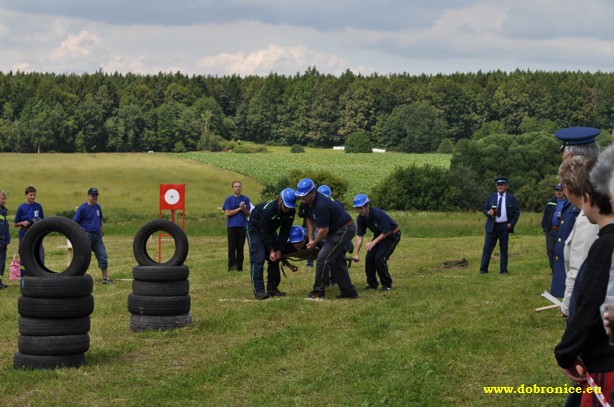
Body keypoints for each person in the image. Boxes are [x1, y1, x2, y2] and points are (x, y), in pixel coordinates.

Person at [554, 151, 614, 406]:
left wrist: (566, 351)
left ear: (588, 198)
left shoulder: (605, 246)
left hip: (605, 362)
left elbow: (591, 303)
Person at [295, 178, 358, 299]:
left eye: (304, 196)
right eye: (300, 196)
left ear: (312, 193)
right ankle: (349, 292)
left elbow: (323, 231)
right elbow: (309, 219)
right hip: (334, 231)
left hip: (344, 230)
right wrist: (310, 239)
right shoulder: (307, 203)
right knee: (336, 261)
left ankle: (318, 291)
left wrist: (314, 242)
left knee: (322, 258)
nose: (301, 199)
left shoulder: (321, 205)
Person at [558, 157, 599, 318]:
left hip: (587, 304)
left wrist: (567, 306)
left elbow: (578, 269)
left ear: (567, 187)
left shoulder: (587, 219)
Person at [246, 188, 296, 300]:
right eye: (286, 207)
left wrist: (278, 250)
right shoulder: (269, 210)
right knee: (258, 258)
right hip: (256, 228)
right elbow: (264, 232)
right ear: (280, 200)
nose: (287, 210)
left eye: (290, 207)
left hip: (269, 229)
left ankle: (272, 288)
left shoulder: (291, 211)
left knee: (276, 258)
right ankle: (259, 291)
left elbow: (285, 231)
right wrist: (272, 250)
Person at [352, 194, 400, 291]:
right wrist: (356, 253)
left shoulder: (378, 214)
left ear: (367, 206)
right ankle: (372, 285)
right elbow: (360, 236)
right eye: (357, 208)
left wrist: (373, 242)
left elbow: (387, 231)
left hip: (392, 235)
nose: (359, 210)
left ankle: (387, 284)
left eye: (361, 208)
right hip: (379, 235)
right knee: (369, 258)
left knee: (379, 258)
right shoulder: (360, 218)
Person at [479, 176, 520, 275]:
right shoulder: (491, 197)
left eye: (502, 185)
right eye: (498, 184)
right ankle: (483, 270)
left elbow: (516, 212)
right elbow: (484, 209)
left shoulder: (511, 198)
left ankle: (503, 270)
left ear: (506, 186)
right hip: (492, 226)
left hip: (504, 226)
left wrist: (511, 224)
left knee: (504, 249)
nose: (500, 186)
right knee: (487, 248)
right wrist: (487, 212)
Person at [73, 188, 112, 285]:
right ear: (88, 196)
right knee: (84, 256)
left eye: (96, 196)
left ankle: (105, 278)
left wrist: (101, 231)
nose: (95, 197)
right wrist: (79, 235)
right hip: (86, 234)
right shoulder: (82, 208)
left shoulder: (98, 207)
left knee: (103, 255)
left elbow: (100, 220)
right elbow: (74, 222)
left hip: (97, 235)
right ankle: (79, 278)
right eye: (93, 196)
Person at [14, 186, 44, 277]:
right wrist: (22, 222)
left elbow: (43, 220)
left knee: (40, 255)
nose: (33, 197)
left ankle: (41, 275)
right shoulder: (21, 208)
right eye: (31, 195)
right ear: (26, 195)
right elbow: (15, 224)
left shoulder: (38, 206)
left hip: (36, 234)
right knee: (24, 256)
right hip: (24, 234)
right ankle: (24, 276)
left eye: (34, 195)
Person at [222, 181, 251, 272]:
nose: (238, 188)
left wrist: (245, 208)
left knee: (240, 248)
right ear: (233, 188)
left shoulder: (246, 199)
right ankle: (231, 267)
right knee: (231, 248)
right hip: (231, 226)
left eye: (239, 186)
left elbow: (248, 214)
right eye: (236, 187)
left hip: (242, 226)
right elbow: (227, 213)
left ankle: (239, 267)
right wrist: (239, 208)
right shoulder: (229, 199)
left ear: (241, 188)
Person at [541, 184, 565, 274]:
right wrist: (545, 227)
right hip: (551, 230)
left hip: (562, 230)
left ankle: (561, 271)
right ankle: (554, 271)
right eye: (557, 190)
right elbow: (545, 215)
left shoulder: (568, 203)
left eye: (560, 190)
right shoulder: (550, 202)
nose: (558, 192)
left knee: (561, 251)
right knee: (550, 250)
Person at [0, 191, 10, 288]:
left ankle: (0, 282)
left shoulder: (4, 211)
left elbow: (5, 228)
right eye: (2, 198)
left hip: (3, 242)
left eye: (5, 198)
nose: (4, 200)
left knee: (2, 263)